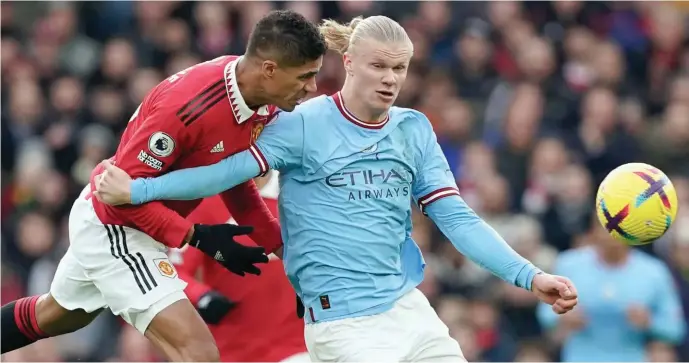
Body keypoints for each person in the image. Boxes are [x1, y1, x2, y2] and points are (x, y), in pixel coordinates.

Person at [94, 15, 578, 362]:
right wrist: (138, 191)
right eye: (379, 67)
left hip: (409, 307)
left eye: (400, 69)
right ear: (349, 63)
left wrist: (529, 276)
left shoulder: (413, 130)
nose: (390, 80)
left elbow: (457, 220)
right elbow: (225, 173)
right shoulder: (302, 124)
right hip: (343, 326)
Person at [0, 10, 327, 362]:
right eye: (305, 76)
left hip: (141, 226)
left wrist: (282, 249)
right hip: (117, 229)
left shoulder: (257, 99)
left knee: (57, 315)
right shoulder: (189, 106)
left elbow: (232, 177)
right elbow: (118, 198)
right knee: (198, 351)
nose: (311, 87)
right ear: (270, 69)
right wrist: (197, 236)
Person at [179, 171, 309, 362]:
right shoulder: (207, 204)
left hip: (298, 348)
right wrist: (201, 296)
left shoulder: (300, 196)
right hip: (235, 350)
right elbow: (175, 271)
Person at [536, 218, 686, 362]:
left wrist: (649, 322)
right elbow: (544, 313)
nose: (613, 234)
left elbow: (675, 328)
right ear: (594, 229)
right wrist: (563, 316)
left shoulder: (654, 271)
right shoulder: (568, 264)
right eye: (607, 226)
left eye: (621, 226)